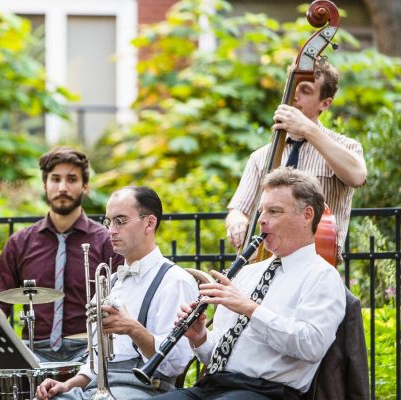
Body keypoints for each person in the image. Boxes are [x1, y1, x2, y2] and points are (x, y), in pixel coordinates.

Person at [151, 167, 346, 400]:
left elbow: (311, 346)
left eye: (274, 211)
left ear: (307, 215)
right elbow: (217, 353)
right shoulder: (248, 273)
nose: (261, 220)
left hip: (267, 392)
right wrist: (200, 337)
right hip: (214, 387)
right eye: (261, 211)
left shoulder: (322, 276)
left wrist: (250, 308)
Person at [0, 146, 121, 400]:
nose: (63, 187)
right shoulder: (20, 243)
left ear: (85, 187)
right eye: (55, 179)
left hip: (85, 352)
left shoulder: (105, 241)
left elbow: (121, 300)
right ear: (44, 185)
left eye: (72, 179)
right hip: (34, 351)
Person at [36, 186, 199, 399]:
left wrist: (133, 329)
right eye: (108, 222)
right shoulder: (112, 281)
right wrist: (67, 385)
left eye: (120, 221)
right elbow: (95, 362)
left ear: (149, 223)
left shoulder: (175, 281)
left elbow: (175, 364)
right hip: (98, 388)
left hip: (145, 389)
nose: (111, 230)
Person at [226, 58, 366, 256]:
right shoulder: (261, 157)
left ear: (325, 104)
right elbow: (238, 210)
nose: (294, 96)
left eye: (306, 91)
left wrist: (307, 129)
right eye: (293, 88)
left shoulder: (346, 147)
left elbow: (357, 176)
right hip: (266, 264)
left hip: (319, 264)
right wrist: (237, 221)